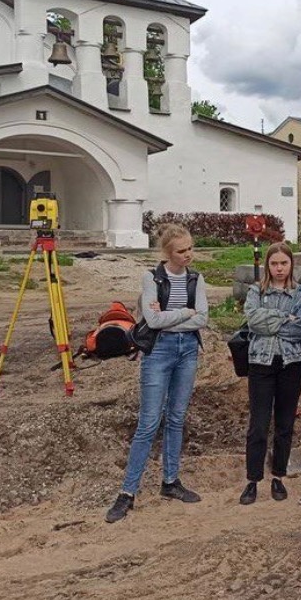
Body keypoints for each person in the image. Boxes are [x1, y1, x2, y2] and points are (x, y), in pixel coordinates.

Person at [106, 224, 208, 523]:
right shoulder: (151, 277)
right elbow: (151, 319)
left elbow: (202, 317)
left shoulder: (196, 278)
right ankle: (127, 492)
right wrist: (185, 313)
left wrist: (172, 319)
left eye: (190, 248)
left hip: (188, 350)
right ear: (166, 252)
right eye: (181, 250)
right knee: (149, 422)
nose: (188, 254)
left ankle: (171, 482)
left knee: (176, 418)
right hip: (159, 352)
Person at [240, 243, 301, 505]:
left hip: (291, 364)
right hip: (261, 362)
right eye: (274, 263)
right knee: (258, 425)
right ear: (268, 266)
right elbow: (253, 321)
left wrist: (271, 323)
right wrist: (285, 318)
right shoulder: (255, 293)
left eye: (284, 263)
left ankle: (278, 477)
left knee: (284, 425)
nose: (279, 268)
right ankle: (252, 480)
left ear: (291, 264)